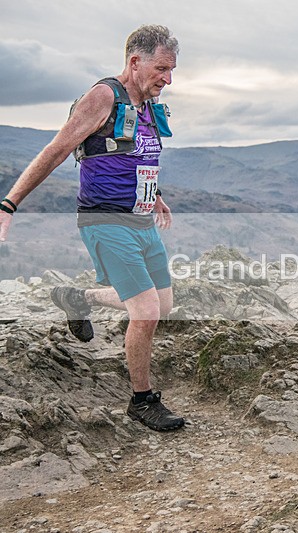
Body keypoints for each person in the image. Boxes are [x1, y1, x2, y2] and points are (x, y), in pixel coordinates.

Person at [0, 25, 184, 432]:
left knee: (165, 306)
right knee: (148, 312)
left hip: (141, 219)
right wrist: (9, 203)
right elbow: (56, 149)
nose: (168, 79)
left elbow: (134, 156)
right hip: (105, 220)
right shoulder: (103, 96)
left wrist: (155, 194)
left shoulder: (150, 104)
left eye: (172, 71)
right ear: (135, 62)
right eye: (162, 69)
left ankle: (77, 297)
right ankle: (141, 400)